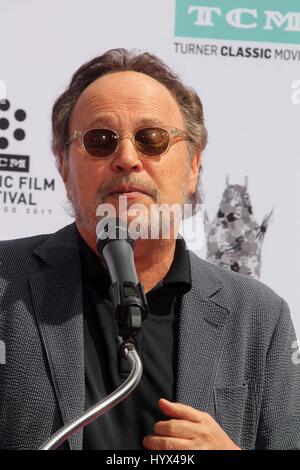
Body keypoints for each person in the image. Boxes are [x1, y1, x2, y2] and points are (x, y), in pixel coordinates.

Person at [0, 48, 299, 450]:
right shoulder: (5, 281)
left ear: (193, 165)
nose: (126, 159)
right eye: (101, 140)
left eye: (152, 139)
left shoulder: (260, 317)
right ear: (63, 165)